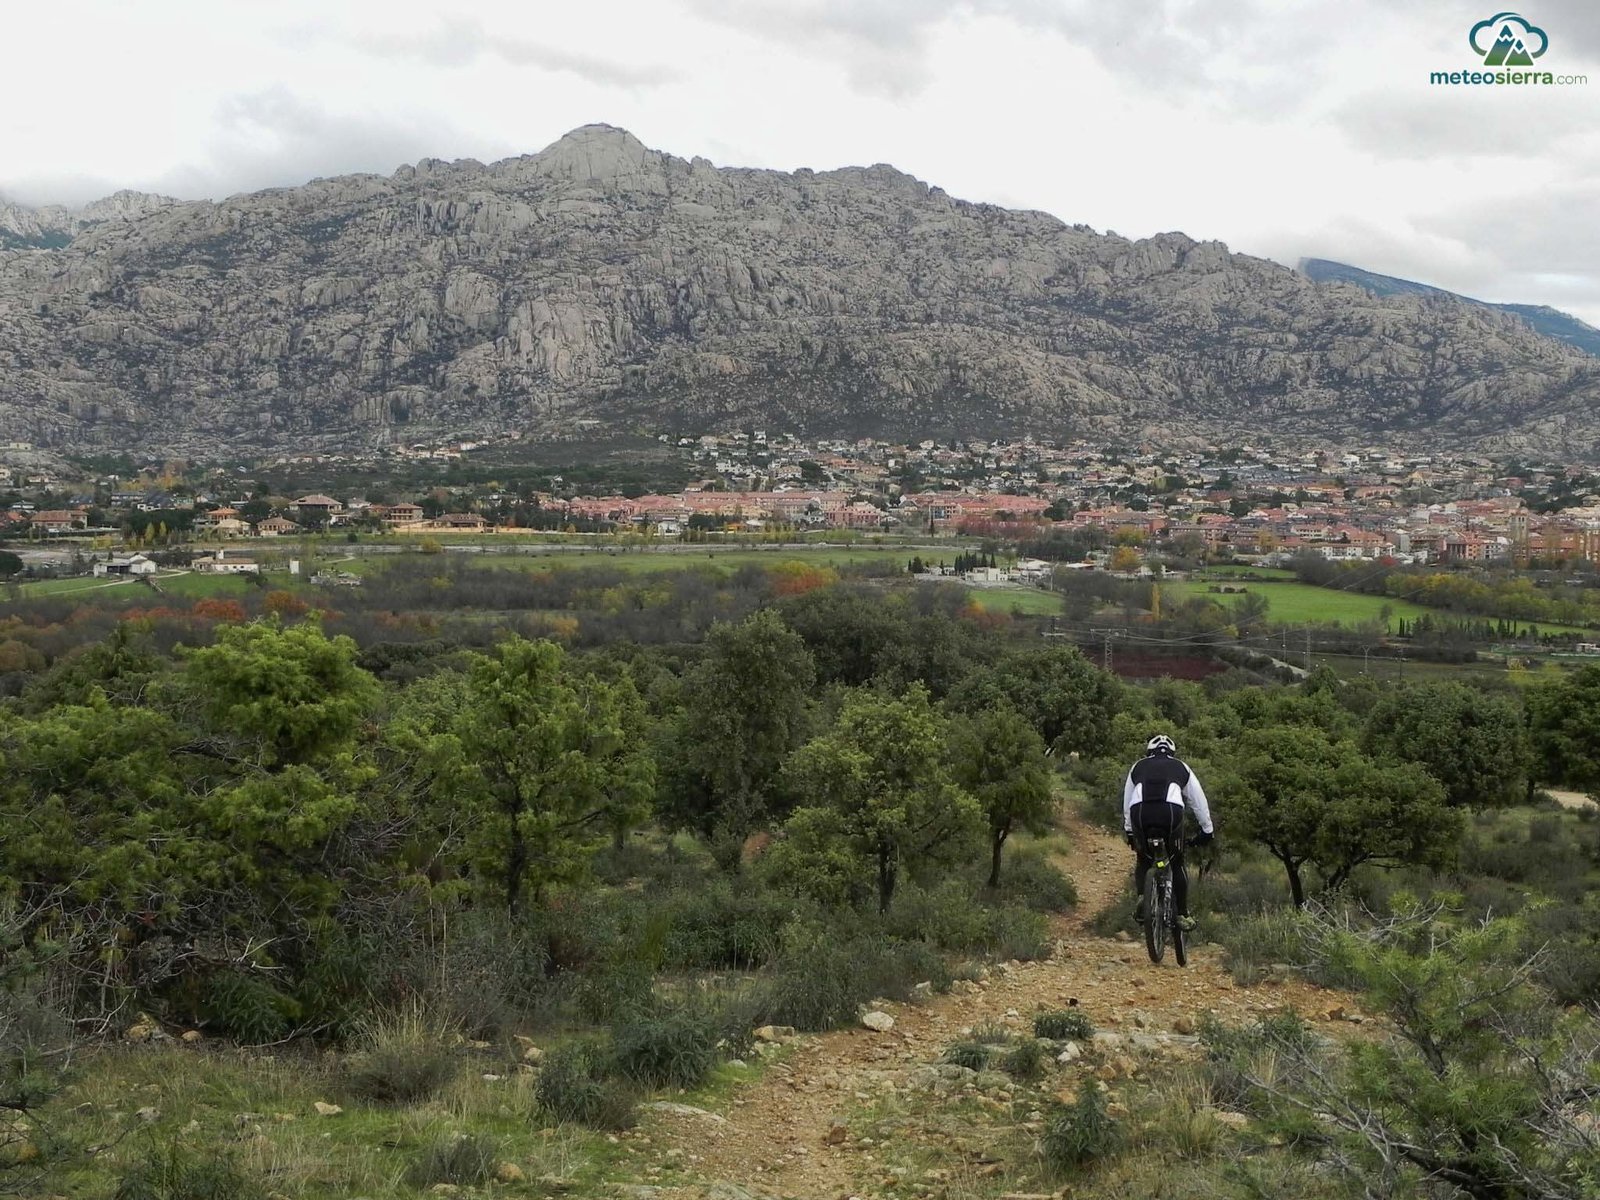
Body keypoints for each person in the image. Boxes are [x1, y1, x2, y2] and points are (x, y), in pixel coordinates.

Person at [1122, 733, 1213, 931]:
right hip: (1170, 813)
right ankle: (1181, 914)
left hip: (1140, 813)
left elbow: (1127, 801)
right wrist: (1207, 830)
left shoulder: (1137, 766)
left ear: (1149, 752)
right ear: (1172, 752)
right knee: (1177, 861)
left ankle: (1142, 897)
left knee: (1143, 859)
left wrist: (1130, 831)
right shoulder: (1181, 767)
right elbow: (1198, 801)